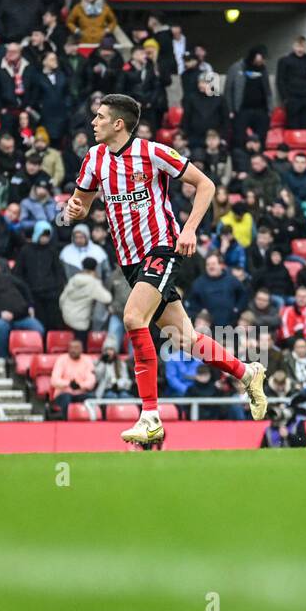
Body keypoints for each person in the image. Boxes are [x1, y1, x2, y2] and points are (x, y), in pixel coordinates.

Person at [62, 93, 266, 445]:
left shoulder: (152, 153)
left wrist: (189, 229)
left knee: (131, 318)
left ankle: (150, 415)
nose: (93, 123)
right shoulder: (94, 159)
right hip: (128, 260)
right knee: (184, 338)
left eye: (99, 117)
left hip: (162, 247)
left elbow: (207, 185)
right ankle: (248, 372)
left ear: (118, 124)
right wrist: (74, 210)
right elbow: (81, 203)